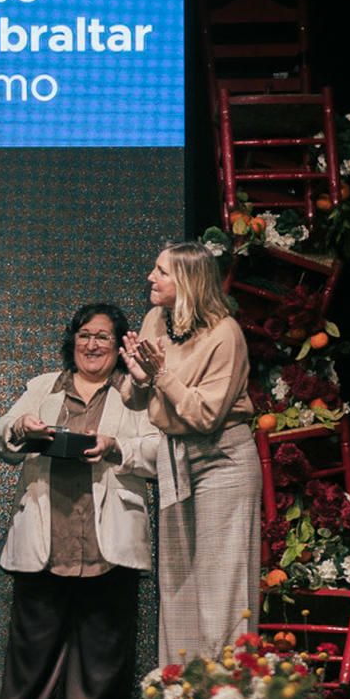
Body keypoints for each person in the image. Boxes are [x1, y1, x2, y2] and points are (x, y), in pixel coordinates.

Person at [0, 302, 153, 699]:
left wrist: (117, 447)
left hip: (106, 532)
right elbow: (1, 435)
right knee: (33, 634)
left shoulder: (134, 392)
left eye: (102, 336)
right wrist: (22, 426)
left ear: (119, 346)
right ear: (71, 341)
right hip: (48, 524)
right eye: (83, 335)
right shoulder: (44, 387)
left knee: (104, 635)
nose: (91, 344)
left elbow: (159, 451)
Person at [121, 242, 257, 661]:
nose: (151, 278)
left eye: (160, 271)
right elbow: (132, 398)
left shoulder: (225, 335)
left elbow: (206, 415)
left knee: (222, 587)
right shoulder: (156, 320)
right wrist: (142, 378)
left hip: (223, 461)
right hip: (177, 458)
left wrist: (161, 376)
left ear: (187, 282)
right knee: (178, 586)